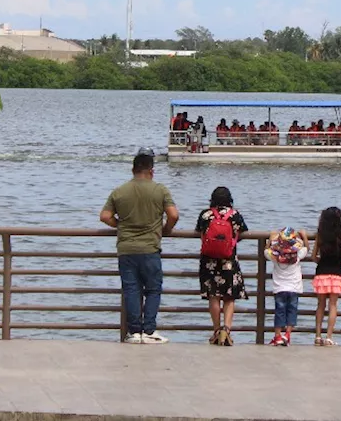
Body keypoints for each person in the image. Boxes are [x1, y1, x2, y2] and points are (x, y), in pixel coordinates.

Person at [99, 147, 178, 345]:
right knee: (153, 289)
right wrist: (165, 229)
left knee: (131, 290)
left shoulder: (120, 191)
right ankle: (149, 330)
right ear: (151, 170)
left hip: (126, 248)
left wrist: (120, 225)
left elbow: (105, 216)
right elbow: (174, 215)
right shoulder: (160, 190)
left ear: (133, 170)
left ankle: (134, 333)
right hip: (150, 247)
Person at [196, 186, 249, 346]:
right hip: (229, 261)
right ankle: (226, 329)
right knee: (229, 297)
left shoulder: (205, 215)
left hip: (209, 261)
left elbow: (201, 233)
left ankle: (216, 330)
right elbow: (241, 234)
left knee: (213, 296)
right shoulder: (235, 215)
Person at [312, 206, 341, 347]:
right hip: (337, 273)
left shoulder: (320, 235)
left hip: (322, 272)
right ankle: (328, 336)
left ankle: (317, 335)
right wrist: (340, 263)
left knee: (320, 305)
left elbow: (313, 256)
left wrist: (321, 262)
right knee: (333, 305)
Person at [266, 227, 308, 346]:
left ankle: (278, 336)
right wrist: (304, 236)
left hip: (279, 288)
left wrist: (270, 239)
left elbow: (266, 251)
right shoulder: (298, 255)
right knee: (292, 311)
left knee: (279, 311)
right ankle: (287, 334)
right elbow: (306, 248)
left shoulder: (274, 256)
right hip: (294, 288)